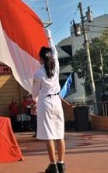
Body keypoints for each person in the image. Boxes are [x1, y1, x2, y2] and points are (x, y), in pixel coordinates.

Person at [31, 29, 66, 173]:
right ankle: (61, 164)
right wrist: (49, 37)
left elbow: (34, 93)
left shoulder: (38, 72)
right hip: (57, 102)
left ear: (40, 59)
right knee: (59, 134)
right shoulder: (56, 65)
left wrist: (34, 98)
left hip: (45, 102)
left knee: (49, 135)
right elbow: (54, 51)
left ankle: (53, 165)